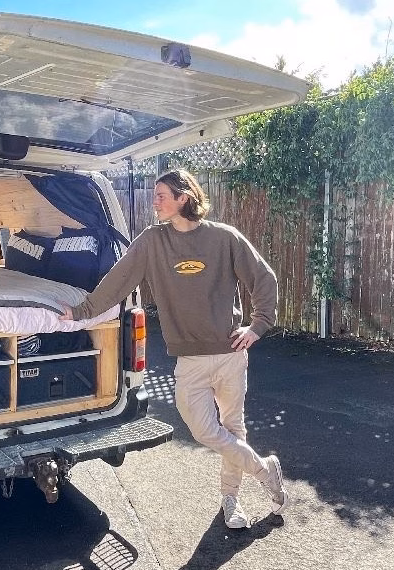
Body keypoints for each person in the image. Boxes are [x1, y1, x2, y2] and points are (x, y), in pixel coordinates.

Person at [60, 169, 289, 529]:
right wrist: (81, 311)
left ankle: (230, 500)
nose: (155, 202)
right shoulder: (152, 241)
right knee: (205, 431)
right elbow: (118, 281)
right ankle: (264, 470)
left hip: (230, 353)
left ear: (184, 198)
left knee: (233, 427)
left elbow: (265, 278)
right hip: (190, 360)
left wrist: (258, 325)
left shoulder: (224, 237)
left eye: (161, 195)